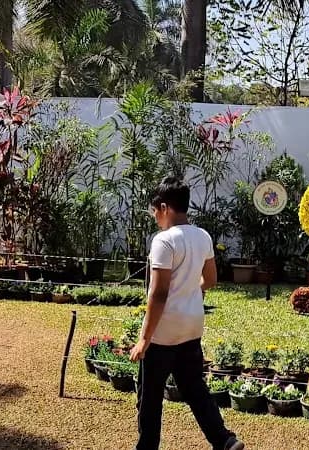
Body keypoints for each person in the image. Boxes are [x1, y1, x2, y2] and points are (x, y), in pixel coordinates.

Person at [130, 177, 245, 450]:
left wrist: (144, 339)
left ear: (165, 207)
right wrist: (193, 294)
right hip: (192, 325)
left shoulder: (163, 241)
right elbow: (211, 279)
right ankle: (225, 440)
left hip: (164, 332)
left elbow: (158, 294)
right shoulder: (202, 236)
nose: (155, 217)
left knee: (150, 396)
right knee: (195, 389)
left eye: (154, 211)